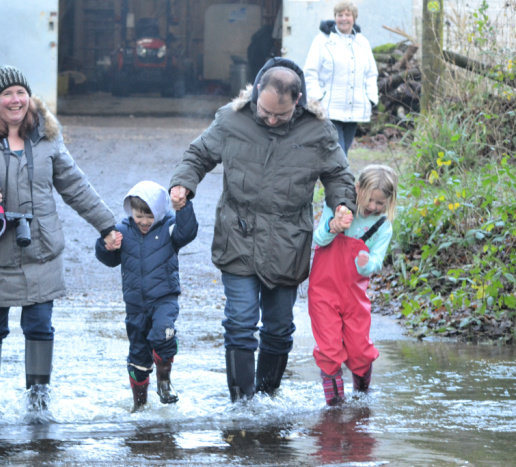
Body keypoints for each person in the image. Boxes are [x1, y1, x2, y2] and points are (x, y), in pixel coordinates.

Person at [169, 57, 357, 402]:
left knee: (280, 330)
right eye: (264, 111)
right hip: (237, 235)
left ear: (296, 102)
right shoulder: (231, 119)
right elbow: (198, 156)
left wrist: (343, 203)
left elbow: (339, 175)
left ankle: (267, 397)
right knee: (240, 323)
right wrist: (183, 184)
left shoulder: (318, 131)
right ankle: (242, 404)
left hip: (288, 241)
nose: (270, 119)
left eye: (279, 115)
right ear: (256, 93)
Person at [0, 65, 121, 408]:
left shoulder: (46, 136)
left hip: (41, 250)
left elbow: (75, 185)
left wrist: (107, 225)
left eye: (21, 92)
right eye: (7, 93)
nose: (15, 99)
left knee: (39, 325)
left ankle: (38, 405)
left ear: (29, 96)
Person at [95, 181, 198, 412]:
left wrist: (182, 207)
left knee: (163, 334)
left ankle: (164, 381)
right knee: (137, 356)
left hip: (164, 299)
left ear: (160, 211)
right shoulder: (122, 230)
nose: (143, 221)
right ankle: (139, 406)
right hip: (135, 305)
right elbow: (109, 260)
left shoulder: (169, 227)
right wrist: (106, 246)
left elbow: (188, 232)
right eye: (139, 215)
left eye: (149, 216)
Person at [307, 164, 398, 406]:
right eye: (369, 200)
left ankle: (361, 397)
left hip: (355, 297)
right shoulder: (338, 209)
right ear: (357, 188)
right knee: (329, 350)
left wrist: (367, 264)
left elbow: (378, 260)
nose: (372, 207)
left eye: (380, 203)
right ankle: (334, 408)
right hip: (323, 293)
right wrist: (333, 226)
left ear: (389, 201)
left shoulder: (382, 226)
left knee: (360, 351)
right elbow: (318, 239)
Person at [302, 1, 379, 156]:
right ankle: (342, 179)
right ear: (335, 17)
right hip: (330, 107)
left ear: (354, 18)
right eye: (340, 15)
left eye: (347, 15)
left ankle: (333, 177)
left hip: (355, 106)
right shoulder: (322, 41)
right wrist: (318, 98)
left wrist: (370, 98)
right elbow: (310, 72)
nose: (343, 19)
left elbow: (371, 73)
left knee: (344, 149)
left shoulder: (362, 43)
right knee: (339, 151)